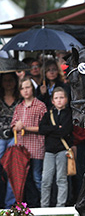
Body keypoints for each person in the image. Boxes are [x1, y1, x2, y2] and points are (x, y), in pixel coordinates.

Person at [11, 77, 47, 207]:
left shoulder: (40, 106)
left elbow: (44, 128)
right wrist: (17, 127)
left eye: (28, 87)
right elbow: (13, 126)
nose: (25, 91)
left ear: (32, 88)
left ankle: (42, 204)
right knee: (24, 178)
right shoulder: (19, 107)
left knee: (37, 177)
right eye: (22, 88)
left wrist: (25, 127)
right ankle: (26, 204)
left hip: (36, 147)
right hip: (22, 148)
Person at [39, 87, 73, 207]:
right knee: (46, 180)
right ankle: (44, 206)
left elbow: (65, 131)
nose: (59, 100)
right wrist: (55, 128)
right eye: (56, 98)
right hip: (48, 151)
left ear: (66, 99)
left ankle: (61, 205)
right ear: (52, 101)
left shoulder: (69, 114)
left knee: (61, 179)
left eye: (61, 97)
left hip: (62, 150)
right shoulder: (48, 114)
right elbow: (41, 129)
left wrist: (52, 130)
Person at [0, 72, 21, 208]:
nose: (8, 83)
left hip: (15, 137)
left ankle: (10, 204)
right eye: (5, 80)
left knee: (13, 171)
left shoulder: (20, 99)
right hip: (0, 138)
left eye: (11, 80)